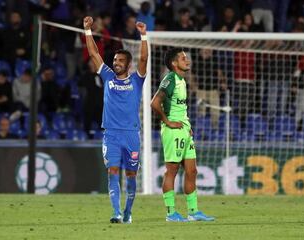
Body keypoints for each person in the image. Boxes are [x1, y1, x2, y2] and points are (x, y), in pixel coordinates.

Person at [83, 16, 148, 224]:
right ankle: (116, 212)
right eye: (115, 60)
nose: (116, 63)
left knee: (130, 175)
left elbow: (144, 60)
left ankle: (128, 212)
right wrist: (87, 31)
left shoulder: (137, 80)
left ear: (128, 64)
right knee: (112, 171)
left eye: (120, 61)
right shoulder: (108, 77)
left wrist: (144, 36)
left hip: (131, 135)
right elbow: (94, 53)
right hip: (110, 133)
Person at [150, 48, 215, 222]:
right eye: (183, 58)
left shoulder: (182, 80)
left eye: (186, 57)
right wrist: (167, 121)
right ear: (174, 63)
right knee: (172, 171)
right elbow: (155, 103)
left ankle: (193, 212)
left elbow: (179, 107)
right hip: (173, 130)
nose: (187, 60)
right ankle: (171, 213)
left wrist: (187, 126)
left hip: (184, 129)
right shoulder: (170, 79)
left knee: (192, 171)